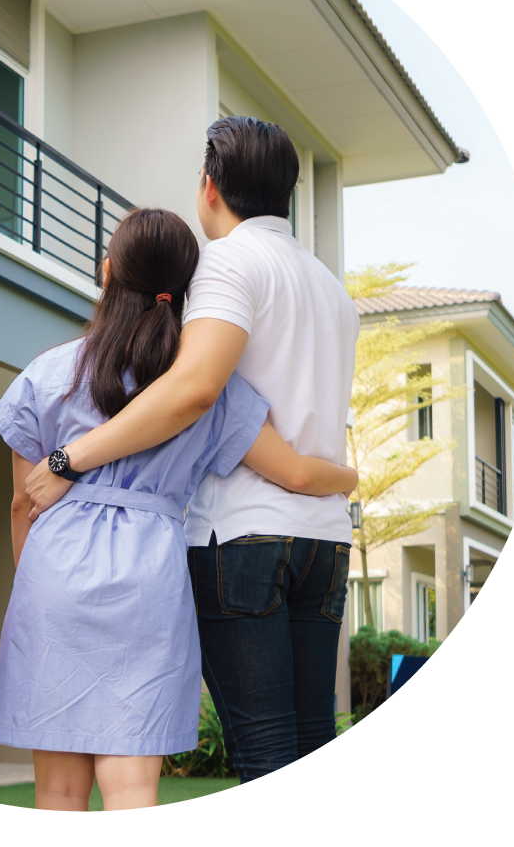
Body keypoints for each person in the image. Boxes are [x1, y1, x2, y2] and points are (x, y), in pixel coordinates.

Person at [21, 118, 360, 783]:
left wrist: (70, 459)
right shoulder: (329, 285)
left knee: (264, 752)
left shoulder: (230, 261)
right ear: (287, 191)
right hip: (323, 538)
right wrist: (345, 478)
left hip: (244, 540)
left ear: (209, 188)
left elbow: (194, 390)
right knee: (315, 740)